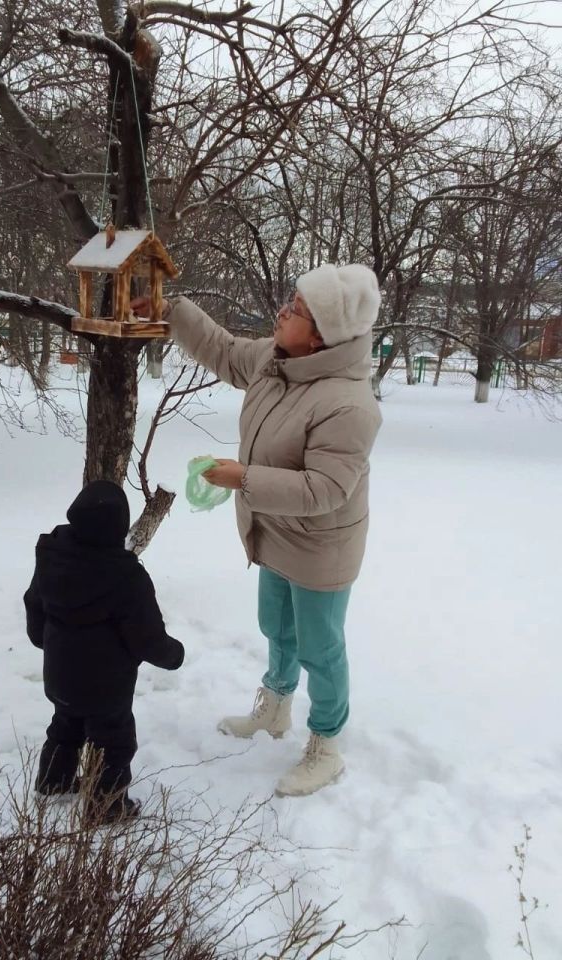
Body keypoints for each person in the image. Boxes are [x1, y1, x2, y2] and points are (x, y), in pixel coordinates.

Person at [132, 263, 382, 797]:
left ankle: (327, 743)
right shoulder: (277, 361)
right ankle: (275, 707)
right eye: (289, 301)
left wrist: (243, 478)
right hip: (272, 531)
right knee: (278, 627)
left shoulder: (349, 404)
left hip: (320, 546)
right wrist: (170, 311)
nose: (282, 311)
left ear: (320, 335)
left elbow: (323, 489)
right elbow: (221, 350)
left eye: (295, 309)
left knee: (321, 647)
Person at [24, 480, 185, 819]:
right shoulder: (126, 576)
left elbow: (34, 603)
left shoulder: (53, 555)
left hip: (60, 674)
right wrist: (173, 655)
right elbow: (146, 636)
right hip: (106, 686)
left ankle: (54, 782)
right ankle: (107, 807)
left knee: (65, 725)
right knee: (113, 742)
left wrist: (43, 640)